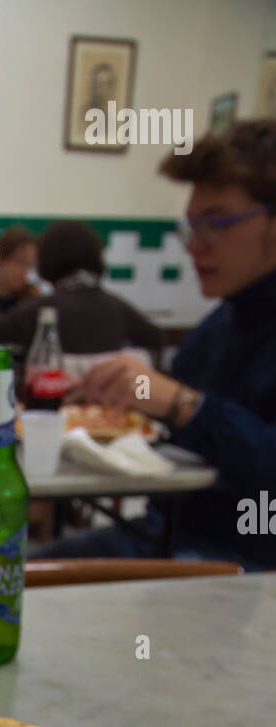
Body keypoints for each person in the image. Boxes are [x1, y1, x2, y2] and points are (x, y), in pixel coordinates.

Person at [31, 120, 276, 569]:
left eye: (217, 224)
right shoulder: (221, 323)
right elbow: (170, 422)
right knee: (4, 577)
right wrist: (112, 398)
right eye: (191, 227)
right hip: (166, 534)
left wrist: (185, 405)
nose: (195, 247)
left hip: (245, 564)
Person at [0, 220, 164, 359]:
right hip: (109, 412)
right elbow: (157, 340)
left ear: (47, 261)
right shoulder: (119, 309)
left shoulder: (39, 311)